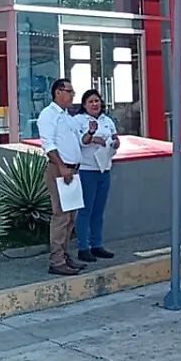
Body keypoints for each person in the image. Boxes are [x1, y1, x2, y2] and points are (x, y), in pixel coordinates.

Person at [38, 79, 87, 276]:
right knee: (61, 216)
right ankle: (56, 260)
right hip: (60, 170)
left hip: (72, 170)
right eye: (69, 91)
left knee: (71, 217)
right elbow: (48, 144)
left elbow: (79, 139)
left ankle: (65, 255)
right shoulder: (48, 115)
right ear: (58, 92)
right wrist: (61, 166)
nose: (72, 95)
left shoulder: (67, 116)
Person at [72, 89, 120, 263]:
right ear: (84, 105)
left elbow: (114, 138)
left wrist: (115, 142)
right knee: (85, 210)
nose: (95, 104)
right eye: (91, 102)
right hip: (87, 170)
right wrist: (92, 135)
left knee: (99, 211)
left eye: (97, 101)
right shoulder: (78, 120)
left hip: (104, 169)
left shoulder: (107, 121)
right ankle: (83, 247)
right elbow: (81, 141)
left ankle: (96, 245)